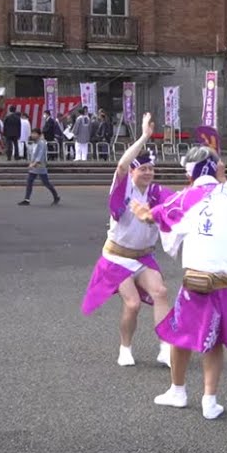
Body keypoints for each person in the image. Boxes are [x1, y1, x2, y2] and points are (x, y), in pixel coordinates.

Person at [133, 141, 227, 420]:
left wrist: (141, 211)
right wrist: (224, 180)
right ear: (218, 169)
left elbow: (153, 217)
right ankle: (210, 401)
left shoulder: (183, 198)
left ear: (189, 173)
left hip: (199, 282)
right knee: (212, 342)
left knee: (181, 335)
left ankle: (178, 391)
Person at [81, 114, 174, 368]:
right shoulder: (124, 186)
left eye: (151, 169)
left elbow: (180, 207)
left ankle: (166, 347)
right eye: (142, 168)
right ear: (134, 170)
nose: (147, 173)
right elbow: (121, 166)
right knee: (132, 304)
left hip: (143, 256)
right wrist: (145, 136)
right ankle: (125, 347)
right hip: (117, 257)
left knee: (161, 292)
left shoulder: (158, 193)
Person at [17, 128, 60, 206]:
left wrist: (34, 163)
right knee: (29, 182)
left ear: (38, 134)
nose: (33, 135)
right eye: (32, 133)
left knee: (46, 183)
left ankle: (56, 196)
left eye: (34, 133)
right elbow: (32, 153)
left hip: (40, 166)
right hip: (34, 166)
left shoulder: (42, 143)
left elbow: (40, 155)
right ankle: (27, 199)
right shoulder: (34, 143)